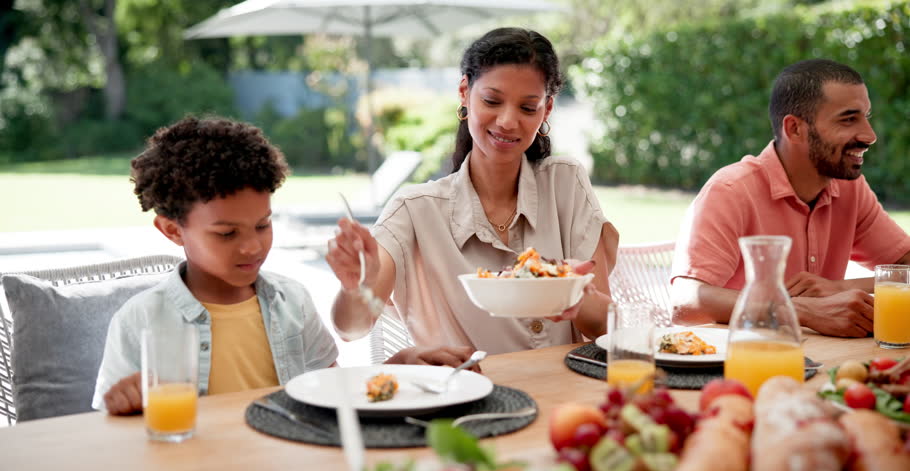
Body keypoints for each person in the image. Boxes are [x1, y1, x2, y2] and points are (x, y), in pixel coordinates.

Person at [93, 116, 463, 415]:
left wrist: (400, 366)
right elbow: (109, 426)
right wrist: (122, 403)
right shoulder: (139, 321)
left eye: (263, 225)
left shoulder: (292, 302)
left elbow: (332, 396)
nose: (253, 245)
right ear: (172, 230)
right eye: (226, 234)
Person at [327, 27, 619, 356]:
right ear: (464, 92)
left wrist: (570, 292)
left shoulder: (566, 183)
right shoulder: (414, 211)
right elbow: (351, 329)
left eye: (528, 108)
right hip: (468, 397)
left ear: (547, 109)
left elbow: (608, 327)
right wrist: (355, 288)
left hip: (562, 396)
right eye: (492, 101)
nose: (508, 121)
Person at [671, 59, 910, 337]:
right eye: (848, 119)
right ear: (795, 128)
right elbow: (685, 302)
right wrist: (801, 310)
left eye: (865, 116)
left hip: (820, 362)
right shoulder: (731, 190)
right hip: (739, 364)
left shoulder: (849, 188)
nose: (870, 135)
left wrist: (842, 288)